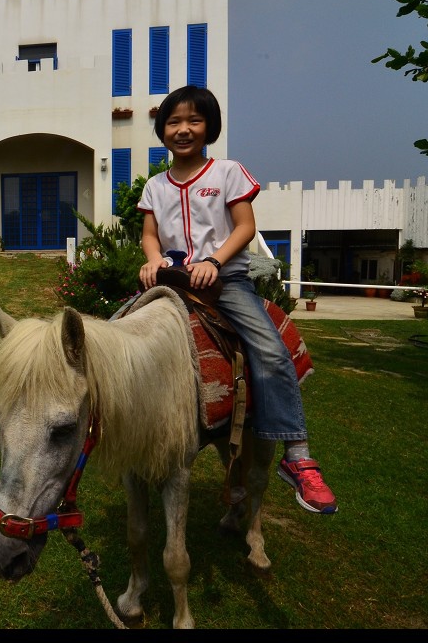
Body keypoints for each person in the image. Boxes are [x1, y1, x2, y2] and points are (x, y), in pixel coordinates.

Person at [136, 85, 338, 514]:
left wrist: (214, 260)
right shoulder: (155, 185)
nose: (183, 129)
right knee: (117, 333)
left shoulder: (227, 173)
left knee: (269, 348)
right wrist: (152, 260)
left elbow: (245, 227)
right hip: (172, 284)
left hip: (224, 285)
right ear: (161, 130)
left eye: (194, 120)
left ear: (210, 126)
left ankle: (297, 454)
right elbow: (150, 234)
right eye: (173, 122)